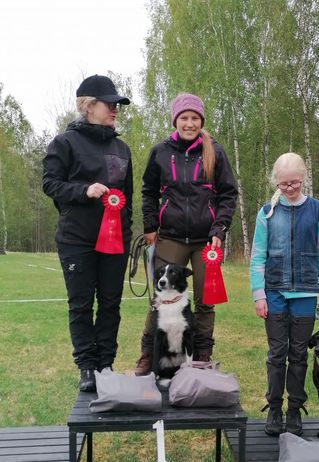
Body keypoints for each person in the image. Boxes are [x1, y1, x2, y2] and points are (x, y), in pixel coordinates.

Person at [135, 93, 237, 375]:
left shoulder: (215, 151)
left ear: (201, 121)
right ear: (175, 120)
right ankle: (148, 353)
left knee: (206, 301)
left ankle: (202, 354)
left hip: (206, 241)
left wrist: (219, 228)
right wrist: (150, 226)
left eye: (194, 118)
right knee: (161, 298)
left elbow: (228, 194)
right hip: (170, 237)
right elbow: (148, 192)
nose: (189, 123)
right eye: (184, 118)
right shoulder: (160, 152)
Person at [43, 74, 133, 392]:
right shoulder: (64, 143)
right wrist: (84, 191)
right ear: (89, 106)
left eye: (117, 104)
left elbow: (127, 197)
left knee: (110, 304)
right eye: (110, 104)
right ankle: (87, 367)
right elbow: (50, 184)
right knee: (81, 305)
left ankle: (105, 365)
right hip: (76, 240)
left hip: (116, 242)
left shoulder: (122, 148)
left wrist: (126, 228)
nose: (115, 109)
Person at [250, 152, 319, 436]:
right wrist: (258, 294)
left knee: (299, 355)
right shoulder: (267, 213)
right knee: (277, 354)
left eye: (294, 182)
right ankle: (274, 408)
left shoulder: (318, 210)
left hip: (306, 294)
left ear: (303, 178)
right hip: (274, 292)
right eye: (283, 184)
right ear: (276, 182)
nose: (289, 188)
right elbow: (257, 256)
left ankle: (295, 409)